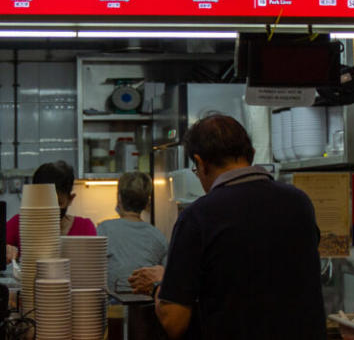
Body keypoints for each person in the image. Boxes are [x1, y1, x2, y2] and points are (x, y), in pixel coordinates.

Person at [128, 115, 325, 340]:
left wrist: (158, 285)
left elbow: (174, 320)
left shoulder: (198, 216)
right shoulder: (299, 202)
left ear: (201, 163)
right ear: (250, 154)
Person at [5, 160, 96, 262]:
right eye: (44, 203)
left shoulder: (84, 228)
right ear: (34, 197)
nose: (50, 211)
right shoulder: (20, 224)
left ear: (70, 199)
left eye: (58, 203)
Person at [97, 171, 167, 294]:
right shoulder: (159, 237)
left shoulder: (104, 230)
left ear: (119, 199)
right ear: (147, 203)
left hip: (113, 306)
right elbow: (166, 281)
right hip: (147, 307)